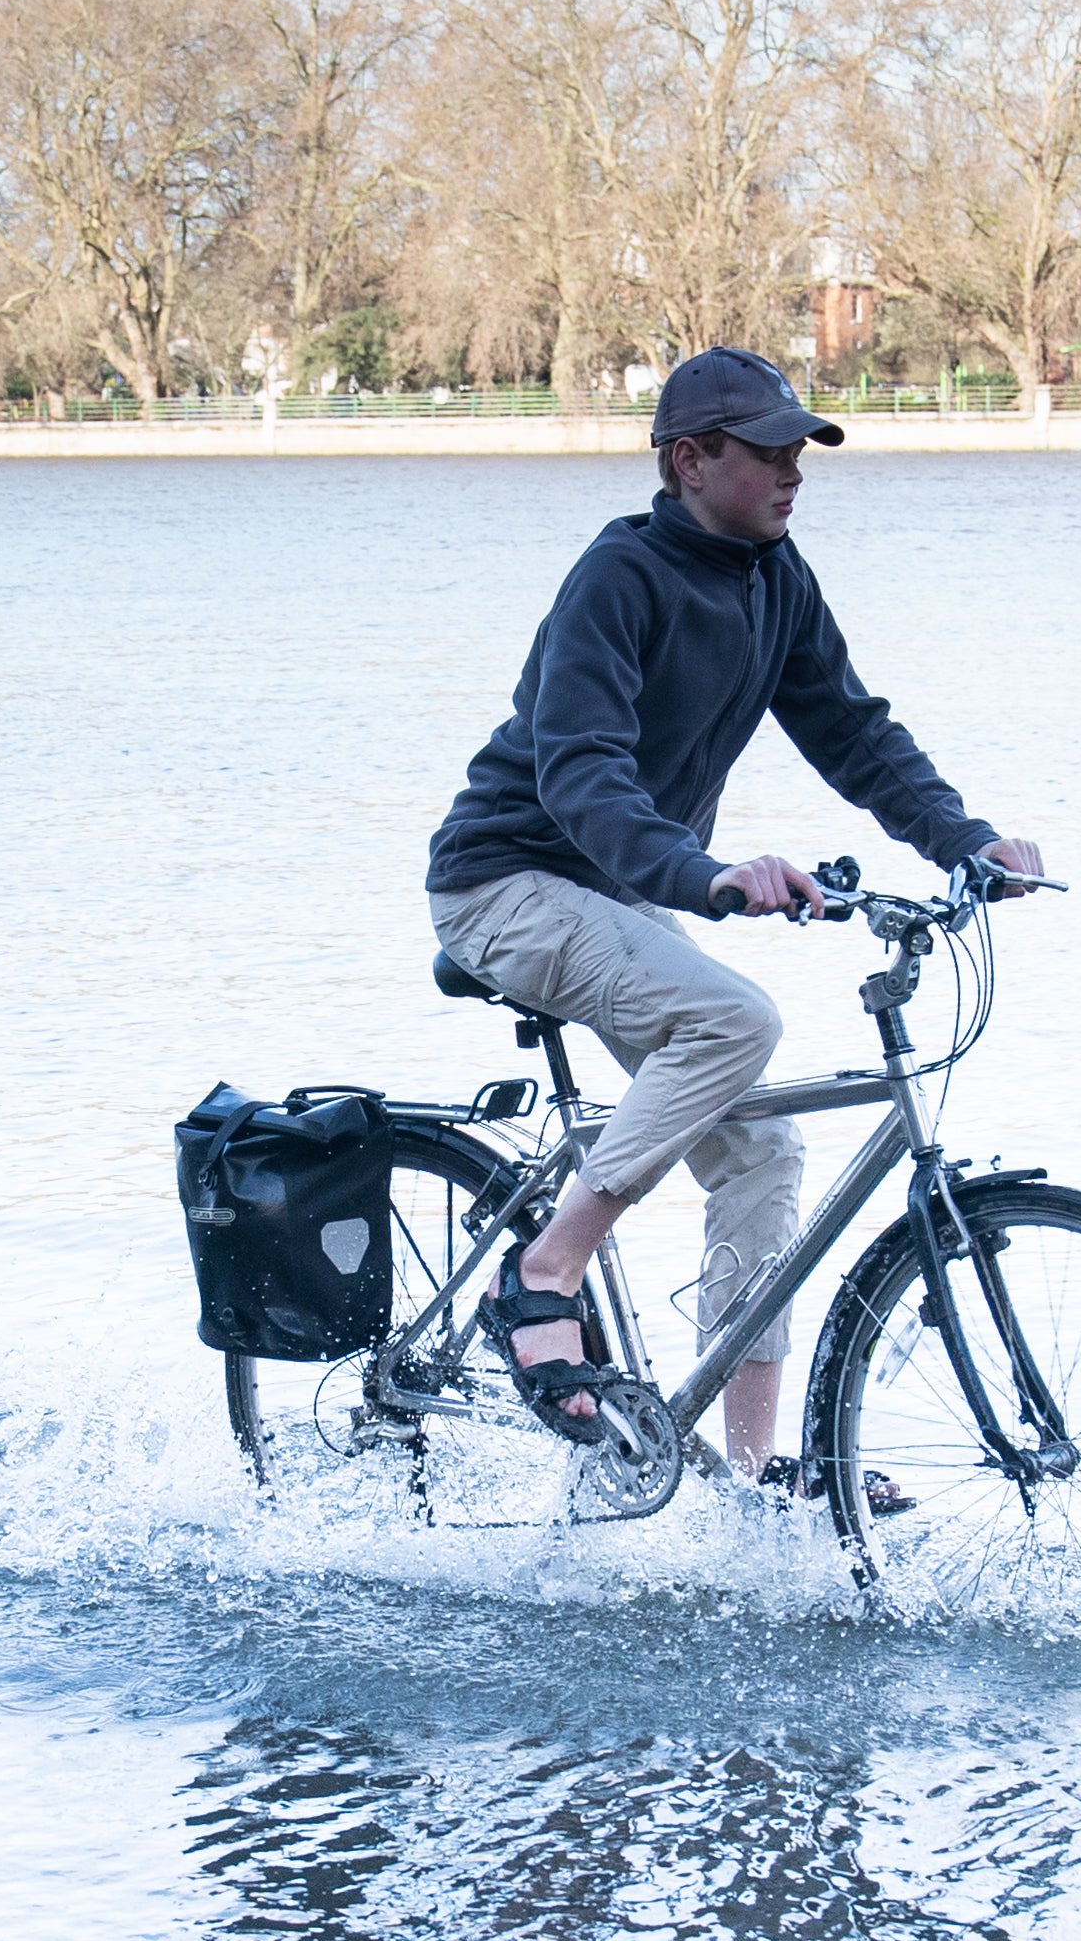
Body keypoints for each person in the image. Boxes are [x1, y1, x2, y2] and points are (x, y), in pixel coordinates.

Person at [424, 344, 1047, 1488]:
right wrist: (702, 873)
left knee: (761, 1146)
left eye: (799, 447)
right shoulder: (618, 578)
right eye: (765, 450)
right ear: (688, 459)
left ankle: (753, 1475)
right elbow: (582, 776)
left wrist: (965, 841)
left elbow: (854, 734)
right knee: (736, 1020)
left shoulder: (776, 577)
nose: (791, 469)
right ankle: (546, 1270)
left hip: (613, 893)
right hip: (502, 884)